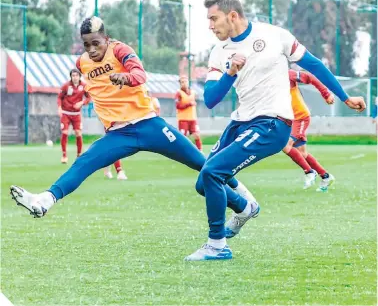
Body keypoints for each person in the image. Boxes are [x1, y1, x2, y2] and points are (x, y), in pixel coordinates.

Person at [10, 16, 254, 242]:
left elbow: (140, 74)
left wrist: (125, 78)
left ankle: (243, 203)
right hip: (119, 134)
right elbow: (97, 87)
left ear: (106, 38)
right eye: (87, 45)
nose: (92, 50)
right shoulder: (82, 64)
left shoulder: (120, 50)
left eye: (96, 43)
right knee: (84, 163)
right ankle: (45, 200)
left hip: (149, 124)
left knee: (202, 164)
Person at [184, 0, 366, 261]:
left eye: (214, 19)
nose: (210, 26)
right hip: (240, 121)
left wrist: (344, 97)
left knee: (212, 173)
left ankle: (217, 245)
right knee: (204, 182)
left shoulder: (275, 36)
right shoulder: (218, 52)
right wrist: (231, 72)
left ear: (232, 15)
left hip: (273, 123)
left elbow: (314, 65)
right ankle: (246, 208)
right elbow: (210, 99)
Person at [282, 69, 335, 191]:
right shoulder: (268, 79)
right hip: (290, 118)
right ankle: (326, 176)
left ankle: (309, 172)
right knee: (302, 153)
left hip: (300, 117)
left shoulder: (287, 74)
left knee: (285, 145)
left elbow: (310, 77)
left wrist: (326, 94)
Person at [57, 68, 90, 164]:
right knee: (65, 132)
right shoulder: (66, 86)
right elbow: (59, 97)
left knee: (78, 133)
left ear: (80, 76)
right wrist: (59, 108)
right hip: (66, 113)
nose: (75, 77)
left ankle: (79, 155)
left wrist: (82, 102)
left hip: (76, 114)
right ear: (71, 77)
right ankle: (64, 155)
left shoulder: (84, 86)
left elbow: (89, 97)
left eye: (76, 75)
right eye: (73, 75)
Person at [175, 76, 202, 151]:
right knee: (183, 137)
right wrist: (189, 104)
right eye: (182, 82)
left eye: (185, 81)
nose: (184, 83)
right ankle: (181, 152)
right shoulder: (178, 93)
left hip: (193, 118)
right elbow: (178, 106)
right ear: (180, 84)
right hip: (183, 119)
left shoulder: (192, 92)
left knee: (197, 135)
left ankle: (200, 151)